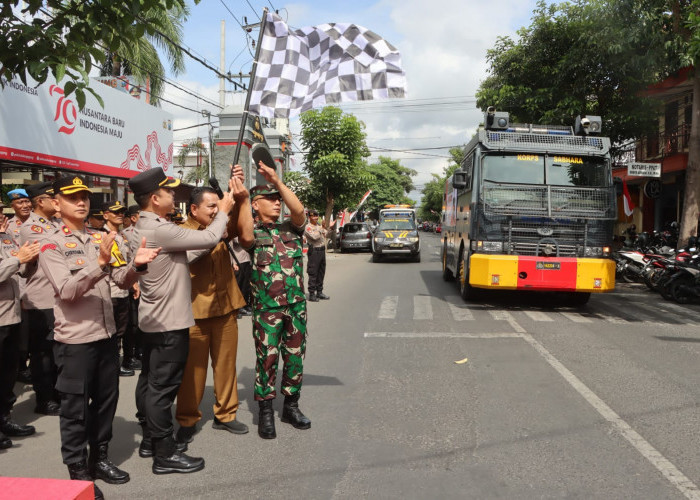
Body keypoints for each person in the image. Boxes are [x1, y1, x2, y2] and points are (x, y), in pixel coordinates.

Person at [39, 175, 161, 499]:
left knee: (106, 403)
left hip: (107, 336)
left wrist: (136, 266)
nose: (81, 202)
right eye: (72, 197)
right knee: (75, 410)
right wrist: (99, 263)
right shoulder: (50, 243)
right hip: (75, 342)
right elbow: (66, 291)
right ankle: (78, 474)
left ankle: (100, 458)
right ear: (56, 203)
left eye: (84, 196)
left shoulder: (101, 237)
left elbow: (120, 278)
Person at [129, 167, 234, 474]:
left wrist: (205, 244)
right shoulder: (159, 227)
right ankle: (165, 454)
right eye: (168, 191)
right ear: (153, 198)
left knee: (149, 383)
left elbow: (178, 258)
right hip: (169, 323)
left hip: (154, 319)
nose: (173, 194)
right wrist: (223, 210)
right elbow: (211, 235)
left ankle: (150, 440)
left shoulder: (150, 226)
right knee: (162, 391)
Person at [175, 174, 252, 448]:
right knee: (192, 372)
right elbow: (202, 245)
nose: (215, 211)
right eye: (210, 207)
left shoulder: (221, 226)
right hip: (194, 313)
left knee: (226, 366)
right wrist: (219, 222)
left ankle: (226, 413)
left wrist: (240, 196)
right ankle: (186, 419)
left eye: (217, 207)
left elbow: (241, 228)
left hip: (226, 308)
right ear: (193, 209)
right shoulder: (182, 231)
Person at [246, 161, 311, 440]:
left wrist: (277, 181)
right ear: (254, 205)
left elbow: (298, 210)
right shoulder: (253, 233)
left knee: (295, 358)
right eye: (269, 200)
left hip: (295, 306)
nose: (276, 204)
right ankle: (265, 412)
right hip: (266, 310)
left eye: (278, 199)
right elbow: (243, 234)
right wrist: (240, 201)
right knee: (267, 359)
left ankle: (291, 407)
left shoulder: (290, 229)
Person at [19, 181, 62, 415]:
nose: (56, 202)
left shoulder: (56, 223)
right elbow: (57, 247)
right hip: (40, 298)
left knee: (56, 350)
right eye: (51, 197)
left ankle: (56, 392)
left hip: (58, 297)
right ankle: (44, 398)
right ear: (40, 202)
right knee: (42, 352)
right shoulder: (31, 227)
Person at [0, 208, 41, 449]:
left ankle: (5, 419)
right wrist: (18, 259)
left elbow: (20, 272)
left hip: (12, 315)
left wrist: (31, 262)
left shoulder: (6, 237)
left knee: (7, 375)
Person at [102, 200, 137, 377]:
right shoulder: (102, 236)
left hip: (122, 289)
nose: (120, 215)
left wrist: (133, 283)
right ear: (105, 215)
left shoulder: (121, 236)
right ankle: (112, 367)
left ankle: (115, 364)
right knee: (112, 332)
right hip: (109, 291)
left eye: (121, 212)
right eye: (115, 212)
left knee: (122, 330)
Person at [6, 188, 32, 383]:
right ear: (12, 206)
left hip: (36, 279)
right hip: (17, 281)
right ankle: (21, 366)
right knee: (20, 327)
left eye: (26, 202)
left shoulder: (39, 223)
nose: (24, 206)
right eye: (19, 203)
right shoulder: (7, 228)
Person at [305, 210, 330, 302]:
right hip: (314, 252)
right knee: (313, 273)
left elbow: (326, 233)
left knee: (321, 272)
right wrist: (321, 229)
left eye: (316, 216)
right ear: (309, 217)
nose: (315, 218)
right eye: (313, 216)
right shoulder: (308, 227)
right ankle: (312, 294)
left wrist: (324, 228)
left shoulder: (319, 226)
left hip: (322, 251)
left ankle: (319, 292)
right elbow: (314, 237)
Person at [231, 237, 252, 317]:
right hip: (238, 260)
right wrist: (233, 262)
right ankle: (238, 308)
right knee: (238, 284)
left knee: (246, 285)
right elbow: (231, 246)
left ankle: (245, 305)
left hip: (247, 259)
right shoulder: (235, 231)